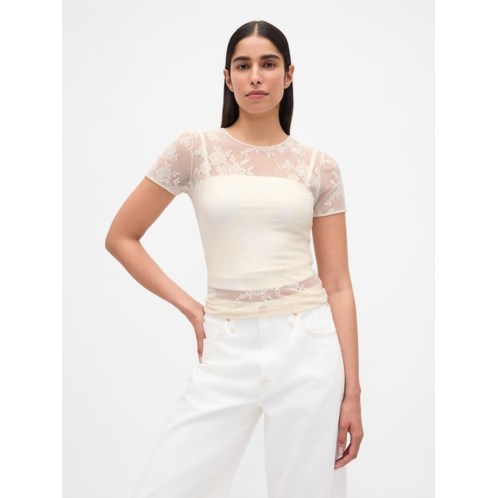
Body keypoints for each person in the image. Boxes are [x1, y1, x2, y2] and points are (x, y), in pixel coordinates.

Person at [105, 20, 363, 498]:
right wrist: (191, 309)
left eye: (268, 64)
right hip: (226, 344)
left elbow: (338, 283)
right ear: (227, 78)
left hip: (308, 345)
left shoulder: (318, 166)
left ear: (289, 74)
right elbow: (121, 237)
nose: (255, 76)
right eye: (243, 66)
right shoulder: (194, 150)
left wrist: (353, 392)